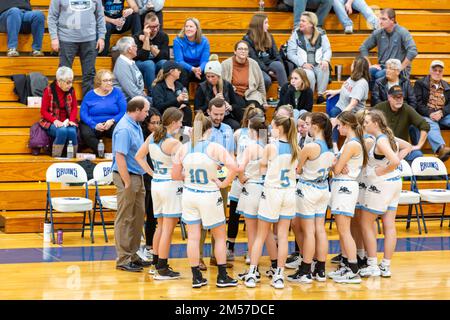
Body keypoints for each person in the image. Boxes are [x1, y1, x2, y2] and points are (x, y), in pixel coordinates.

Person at [172, 112, 239, 288]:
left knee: (193, 237)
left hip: (189, 195)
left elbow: (175, 175)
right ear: (208, 130)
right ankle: (222, 276)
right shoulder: (214, 147)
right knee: (219, 236)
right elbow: (235, 167)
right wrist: (224, 183)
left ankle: (196, 277)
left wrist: (187, 175)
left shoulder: (183, 148)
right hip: (209, 195)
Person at [244, 114, 300, 289]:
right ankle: (279, 275)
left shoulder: (270, 146)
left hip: (272, 192)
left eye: (272, 126)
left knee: (261, 234)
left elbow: (262, 168)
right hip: (289, 193)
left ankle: (252, 273)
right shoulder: (296, 147)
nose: (270, 129)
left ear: (279, 128)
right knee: (283, 236)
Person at [358, 109, 411, 278]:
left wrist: (384, 170)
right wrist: (391, 167)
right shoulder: (389, 137)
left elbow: (394, 161)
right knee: (389, 225)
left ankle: (372, 264)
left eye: (366, 122)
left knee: (366, 223)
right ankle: (385, 266)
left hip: (382, 185)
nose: (364, 125)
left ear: (375, 123)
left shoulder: (381, 141)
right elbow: (408, 147)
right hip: (395, 183)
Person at [135, 107, 183, 280]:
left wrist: (152, 173)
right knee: (168, 229)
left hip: (157, 183)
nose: (182, 124)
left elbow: (138, 157)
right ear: (173, 122)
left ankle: (156, 264)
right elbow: (182, 167)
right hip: (170, 185)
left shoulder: (152, 136)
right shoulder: (174, 143)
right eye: (180, 121)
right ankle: (162, 268)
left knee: (160, 226)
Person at [287, 112, 334, 283]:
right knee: (319, 230)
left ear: (315, 126)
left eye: (308, 123)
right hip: (323, 189)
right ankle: (320, 270)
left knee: (308, 232)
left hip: (308, 189)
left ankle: (305, 270)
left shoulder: (310, 147)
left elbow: (297, 169)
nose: (307, 127)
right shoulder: (330, 146)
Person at [112, 96, 152, 272]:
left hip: (138, 175)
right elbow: (120, 156)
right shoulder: (124, 129)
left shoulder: (135, 125)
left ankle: (134, 254)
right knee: (125, 217)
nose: (147, 114)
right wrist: (126, 181)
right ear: (136, 110)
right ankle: (123, 258)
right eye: (145, 111)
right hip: (127, 175)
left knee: (137, 217)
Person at [327, 111, 368, 284]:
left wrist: (336, 163)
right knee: (342, 231)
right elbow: (337, 166)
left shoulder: (352, 144)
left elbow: (335, 169)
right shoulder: (350, 143)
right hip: (342, 185)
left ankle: (353, 269)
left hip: (345, 186)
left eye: (339, 125)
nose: (338, 128)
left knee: (344, 231)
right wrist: (337, 163)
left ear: (347, 125)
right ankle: (346, 266)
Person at [199, 97, 236, 269]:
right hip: (205, 178)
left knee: (219, 218)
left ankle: (216, 255)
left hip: (222, 178)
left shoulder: (228, 129)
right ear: (208, 112)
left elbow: (231, 154)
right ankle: (198, 257)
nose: (219, 117)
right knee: (201, 220)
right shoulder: (201, 129)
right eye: (216, 114)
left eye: (222, 114)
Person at [227, 105, 266, 264]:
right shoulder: (238, 133)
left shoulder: (264, 136)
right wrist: (237, 174)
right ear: (248, 121)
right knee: (235, 214)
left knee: (254, 216)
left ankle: (252, 251)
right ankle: (230, 247)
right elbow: (233, 154)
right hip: (239, 178)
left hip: (253, 179)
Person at [48, 0, 106, 97]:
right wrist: (54, 37)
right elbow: (52, 16)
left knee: (89, 74)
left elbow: (100, 16)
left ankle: (88, 104)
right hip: (66, 39)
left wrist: (101, 37)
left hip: (89, 39)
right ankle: (62, 104)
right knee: (64, 74)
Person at [373, 85, 436, 163]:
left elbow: (424, 125)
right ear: (389, 97)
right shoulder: (380, 108)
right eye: (395, 97)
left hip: (402, 149)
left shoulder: (406, 108)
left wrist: (418, 146)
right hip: (383, 149)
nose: (399, 100)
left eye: (401, 97)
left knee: (417, 155)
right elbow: (366, 120)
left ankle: (406, 175)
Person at [359, 8, 418, 90]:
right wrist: (369, 65)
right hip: (382, 67)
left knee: (379, 75)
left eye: (384, 19)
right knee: (366, 72)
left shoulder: (402, 32)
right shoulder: (378, 33)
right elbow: (363, 47)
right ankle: (375, 100)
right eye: (380, 18)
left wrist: (400, 67)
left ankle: (383, 99)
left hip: (397, 69)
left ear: (392, 20)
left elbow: (413, 51)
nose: (380, 21)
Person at [324, 56, 369, 148]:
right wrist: (336, 91)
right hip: (342, 106)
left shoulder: (361, 84)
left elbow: (352, 104)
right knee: (332, 114)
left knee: (334, 115)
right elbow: (347, 89)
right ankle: (333, 143)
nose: (351, 65)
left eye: (353, 63)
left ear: (357, 67)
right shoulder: (352, 77)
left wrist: (338, 118)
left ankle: (334, 146)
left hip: (353, 112)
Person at [286, 11, 331, 102]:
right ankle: (308, 96)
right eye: (300, 20)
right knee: (309, 74)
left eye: (303, 21)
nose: (300, 23)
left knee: (324, 68)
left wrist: (325, 60)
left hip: (317, 63)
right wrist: (303, 63)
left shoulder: (321, 33)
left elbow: (327, 50)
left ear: (311, 24)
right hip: (303, 65)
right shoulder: (296, 34)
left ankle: (320, 95)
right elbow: (290, 53)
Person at [80, 70, 127, 156]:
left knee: (121, 130)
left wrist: (113, 120)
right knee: (86, 133)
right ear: (98, 82)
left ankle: (120, 155)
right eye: (105, 80)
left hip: (112, 123)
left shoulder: (117, 92)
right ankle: (101, 152)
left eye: (110, 80)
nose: (109, 83)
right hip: (94, 123)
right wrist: (94, 124)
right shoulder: (90, 94)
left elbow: (123, 111)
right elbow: (83, 113)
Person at [194, 55, 244, 130]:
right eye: (208, 76)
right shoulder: (201, 87)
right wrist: (212, 101)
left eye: (213, 76)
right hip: (208, 118)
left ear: (219, 76)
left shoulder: (227, 85)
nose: (210, 79)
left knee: (235, 125)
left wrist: (230, 107)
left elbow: (236, 104)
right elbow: (197, 110)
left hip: (225, 117)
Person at [414, 60, 450, 161]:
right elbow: (418, 103)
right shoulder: (420, 83)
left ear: (442, 73)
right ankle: (441, 149)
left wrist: (442, 113)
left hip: (442, 114)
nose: (437, 73)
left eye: (440, 71)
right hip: (426, 114)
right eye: (435, 70)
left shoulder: (447, 86)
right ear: (430, 71)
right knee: (431, 123)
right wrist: (430, 113)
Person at [39, 66, 78, 158]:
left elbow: (74, 108)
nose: (70, 85)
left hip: (67, 121)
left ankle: (73, 157)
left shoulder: (71, 90)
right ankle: (56, 157)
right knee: (62, 131)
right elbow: (43, 111)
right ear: (59, 81)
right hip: (51, 121)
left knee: (72, 131)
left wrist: (71, 120)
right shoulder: (48, 90)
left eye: (71, 82)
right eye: (68, 82)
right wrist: (55, 121)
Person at [243, 13, 288, 91]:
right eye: (266, 23)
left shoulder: (269, 36)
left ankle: (286, 93)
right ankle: (261, 99)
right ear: (259, 24)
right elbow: (255, 60)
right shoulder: (247, 39)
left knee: (278, 64)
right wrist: (268, 71)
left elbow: (276, 55)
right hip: (256, 68)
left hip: (269, 64)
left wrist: (280, 68)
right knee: (266, 80)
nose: (268, 25)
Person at [222, 40, 269, 111]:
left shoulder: (254, 64)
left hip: (251, 94)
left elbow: (261, 85)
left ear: (248, 52)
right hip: (234, 94)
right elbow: (220, 84)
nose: (243, 51)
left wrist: (264, 102)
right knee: (239, 106)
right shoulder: (225, 64)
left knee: (256, 107)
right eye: (240, 49)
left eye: (245, 49)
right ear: (235, 51)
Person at [139, 108, 161, 260]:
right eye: (153, 123)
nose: (156, 126)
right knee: (141, 214)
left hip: (157, 180)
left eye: (159, 123)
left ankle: (149, 246)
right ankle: (137, 247)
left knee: (153, 215)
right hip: (144, 178)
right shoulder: (143, 138)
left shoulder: (161, 138)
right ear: (146, 124)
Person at [134, 12, 169, 95]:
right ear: (145, 25)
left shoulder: (163, 36)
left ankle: (167, 91)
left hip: (156, 63)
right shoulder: (137, 36)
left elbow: (164, 56)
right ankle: (152, 93)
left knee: (164, 63)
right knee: (149, 64)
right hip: (140, 64)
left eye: (157, 26)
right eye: (153, 27)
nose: (156, 29)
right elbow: (143, 57)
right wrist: (146, 38)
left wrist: (148, 42)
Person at [173, 17, 210, 89]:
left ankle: (202, 98)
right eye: (186, 26)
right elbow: (179, 61)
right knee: (182, 72)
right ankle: (184, 98)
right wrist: (192, 69)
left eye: (191, 26)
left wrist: (199, 69)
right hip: (185, 68)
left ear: (197, 29)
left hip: (199, 69)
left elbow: (205, 60)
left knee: (208, 73)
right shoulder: (178, 40)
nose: (188, 29)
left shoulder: (204, 41)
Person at [152, 61, 192, 126]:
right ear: (171, 71)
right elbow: (158, 106)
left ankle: (185, 134)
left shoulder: (179, 85)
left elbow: (186, 101)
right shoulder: (158, 87)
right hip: (166, 117)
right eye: (178, 70)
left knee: (187, 110)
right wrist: (177, 100)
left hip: (180, 115)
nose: (180, 72)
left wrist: (184, 103)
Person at [113, 37, 150, 102]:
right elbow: (131, 91)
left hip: (135, 97)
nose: (137, 48)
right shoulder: (122, 65)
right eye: (135, 46)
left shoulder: (129, 61)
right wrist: (145, 100)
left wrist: (143, 92)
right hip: (127, 101)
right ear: (129, 49)